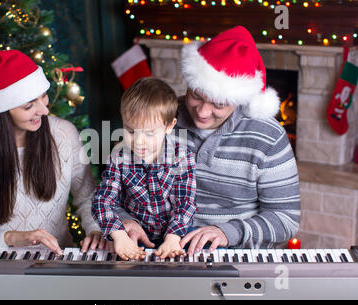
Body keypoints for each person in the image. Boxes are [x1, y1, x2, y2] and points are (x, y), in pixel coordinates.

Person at [119, 26, 301, 255]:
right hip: (159, 250)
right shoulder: (161, 118)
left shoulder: (268, 136)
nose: (203, 112)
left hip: (234, 255)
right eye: (196, 95)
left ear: (238, 99)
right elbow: (117, 192)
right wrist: (125, 221)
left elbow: (286, 219)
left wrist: (228, 232)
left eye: (218, 103)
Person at [0, 48, 105, 254]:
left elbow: (87, 197)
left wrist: (97, 229)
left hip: (56, 262)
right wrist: (10, 238)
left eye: (44, 96)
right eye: (29, 106)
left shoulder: (64, 134)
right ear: (2, 110)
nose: (44, 110)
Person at [92, 78, 197, 260]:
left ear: (170, 126)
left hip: (176, 232)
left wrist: (173, 238)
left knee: (189, 260)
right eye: (131, 131)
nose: (139, 141)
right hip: (135, 233)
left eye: (149, 133)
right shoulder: (119, 157)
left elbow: (185, 203)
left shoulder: (182, 157)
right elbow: (103, 200)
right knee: (122, 265)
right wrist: (119, 235)